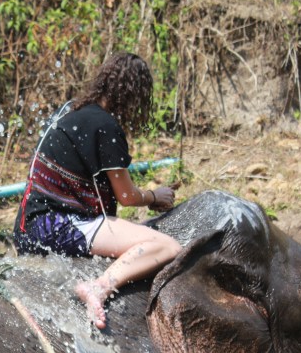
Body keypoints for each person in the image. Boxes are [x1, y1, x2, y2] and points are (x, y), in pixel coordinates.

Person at [13, 52, 182, 330]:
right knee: (166, 246)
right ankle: (99, 287)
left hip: (26, 227)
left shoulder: (69, 110)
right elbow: (126, 196)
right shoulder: (106, 126)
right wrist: (154, 196)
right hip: (59, 225)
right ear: (132, 95)